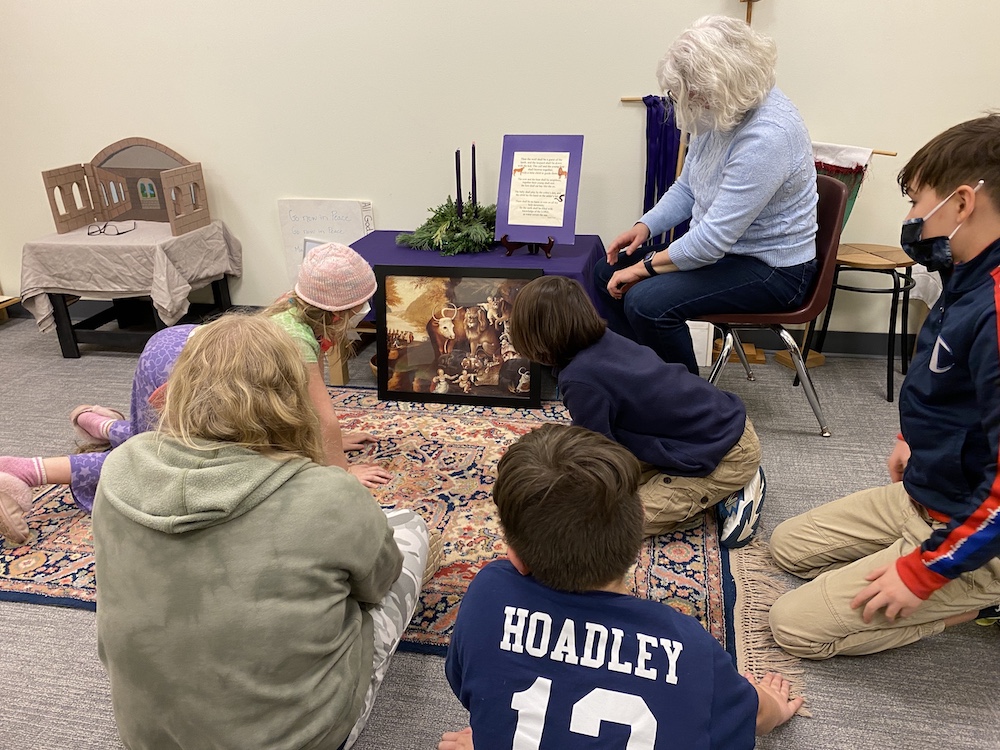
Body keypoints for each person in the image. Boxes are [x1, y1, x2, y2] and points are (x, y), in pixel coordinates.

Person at [94, 314, 434, 749]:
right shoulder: (329, 492)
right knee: (409, 530)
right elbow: (377, 585)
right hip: (298, 737)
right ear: (293, 397)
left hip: (146, 735)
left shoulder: (121, 466)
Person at [767, 114, 1000, 659]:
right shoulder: (966, 272)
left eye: (918, 203)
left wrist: (921, 573)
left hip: (970, 526)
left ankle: (981, 597)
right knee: (788, 547)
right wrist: (912, 439)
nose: (912, 218)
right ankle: (913, 551)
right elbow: (945, 382)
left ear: (963, 203)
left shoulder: (994, 307)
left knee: (793, 626)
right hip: (925, 492)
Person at [0, 242, 390, 546]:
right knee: (160, 461)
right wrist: (342, 470)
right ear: (338, 315)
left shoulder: (289, 311)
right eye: (359, 308)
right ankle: (23, 470)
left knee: (149, 434)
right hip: (185, 371)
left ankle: (99, 423)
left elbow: (306, 404)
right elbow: (322, 417)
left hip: (173, 346)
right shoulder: (297, 339)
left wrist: (329, 442)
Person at [439, 424, 801, 750]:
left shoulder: (487, 594)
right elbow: (754, 718)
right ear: (640, 529)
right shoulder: (686, 644)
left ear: (514, 555)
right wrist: (771, 706)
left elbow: (473, 687)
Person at [595, 15, 818, 374]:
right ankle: (643, 376)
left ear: (722, 82)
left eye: (695, 92)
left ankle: (686, 401)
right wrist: (646, 227)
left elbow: (712, 240)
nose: (690, 101)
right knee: (604, 273)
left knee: (646, 302)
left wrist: (644, 268)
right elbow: (688, 186)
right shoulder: (725, 109)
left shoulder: (768, 135)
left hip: (773, 270)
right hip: (728, 252)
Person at [509, 275, 764, 547]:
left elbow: (597, 456)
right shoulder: (603, 338)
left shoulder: (581, 379)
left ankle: (739, 488)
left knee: (609, 527)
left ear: (537, 336)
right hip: (712, 425)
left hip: (727, 453)